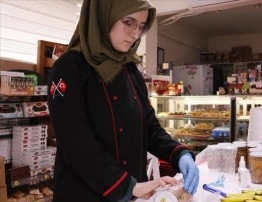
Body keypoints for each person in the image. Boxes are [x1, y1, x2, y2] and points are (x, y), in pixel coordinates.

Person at [47, 0, 199, 201]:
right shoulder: (69, 68)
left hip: (133, 193)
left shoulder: (130, 71)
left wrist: (179, 154)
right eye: (129, 22)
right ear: (104, 16)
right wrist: (128, 187)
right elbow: (77, 144)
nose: (135, 34)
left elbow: (149, 128)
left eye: (141, 26)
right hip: (84, 194)